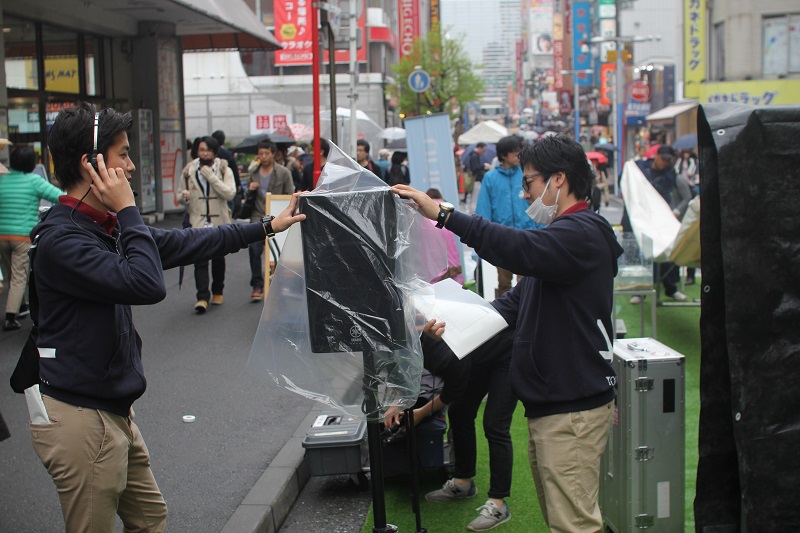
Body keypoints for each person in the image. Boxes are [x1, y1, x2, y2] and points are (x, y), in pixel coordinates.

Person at [28, 102, 305, 532]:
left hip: (112, 408)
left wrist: (267, 226)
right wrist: (127, 209)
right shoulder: (62, 240)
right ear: (91, 164)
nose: (131, 166)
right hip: (81, 416)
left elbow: (184, 242)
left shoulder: (102, 225)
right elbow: (146, 284)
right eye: (123, 155)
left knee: (149, 517)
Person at [392, 134, 623, 532]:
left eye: (529, 181)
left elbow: (513, 247)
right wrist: (442, 318)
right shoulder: (562, 241)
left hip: (572, 406)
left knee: (574, 524)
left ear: (559, 179)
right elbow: (509, 307)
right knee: (564, 520)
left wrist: (445, 215)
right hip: (555, 404)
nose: (524, 192)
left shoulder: (579, 233)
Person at [0, 146, 64, 330]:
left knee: (12, 274)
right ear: (31, 164)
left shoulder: (2, 180)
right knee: (20, 275)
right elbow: (60, 197)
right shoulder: (34, 181)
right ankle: (10, 317)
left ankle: (21, 306)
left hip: (2, 235)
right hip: (22, 236)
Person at [475, 136, 544, 298]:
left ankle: (526, 311)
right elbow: (484, 208)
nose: (518, 155)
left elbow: (539, 202)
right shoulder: (490, 178)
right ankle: (505, 314)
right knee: (504, 284)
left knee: (527, 282)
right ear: (503, 155)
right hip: (502, 238)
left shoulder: (526, 174)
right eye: (514, 152)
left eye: (519, 151)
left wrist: (542, 228)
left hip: (527, 236)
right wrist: (483, 237)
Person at [178, 135, 238, 313]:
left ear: (215, 152)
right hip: (198, 221)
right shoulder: (189, 170)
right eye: (202, 150)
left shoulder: (224, 169)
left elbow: (230, 193)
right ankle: (202, 297)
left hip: (219, 222)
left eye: (208, 150)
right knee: (200, 260)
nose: (205, 154)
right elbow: (179, 195)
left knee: (218, 258)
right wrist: (184, 196)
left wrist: (211, 177)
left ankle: (218, 291)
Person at [630, 144, 688, 303]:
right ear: (656, 156)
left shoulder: (672, 174)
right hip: (645, 219)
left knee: (666, 254)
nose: (665, 162)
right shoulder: (641, 168)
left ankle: (671, 289)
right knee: (645, 256)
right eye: (663, 159)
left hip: (663, 220)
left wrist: (675, 212)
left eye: (668, 160)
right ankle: (641, 292)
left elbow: (684, 197)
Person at [245, 140, 295, 301]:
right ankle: (257, 285)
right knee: (254, 249)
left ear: (273, 154)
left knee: (279, 251)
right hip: (257, 215)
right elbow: (247, 197)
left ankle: (280, 282)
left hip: (277, 216)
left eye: (267, 153)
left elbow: (290, 195)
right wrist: (250, 190)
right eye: (261, 153)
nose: (264, 156)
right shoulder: (253, 172)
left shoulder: (283, 172)